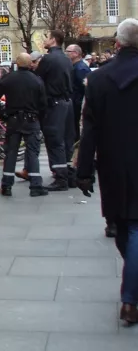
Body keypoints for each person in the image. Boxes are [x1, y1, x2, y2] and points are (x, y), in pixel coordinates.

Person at [75, 18, 138, 327]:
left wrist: (83, 171)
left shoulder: (99, 80)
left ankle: (131, 293)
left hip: (114, 164)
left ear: (118, 43)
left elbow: (90, 131)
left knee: (124, 225)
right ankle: (131, 296)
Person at [0, 53, 49, 197]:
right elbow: (43, 104)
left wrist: (3, 114)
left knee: (11, 153)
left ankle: (7, 186)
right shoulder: (37, 80)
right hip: (31, 120)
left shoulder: (8, 78)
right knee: (32, 153)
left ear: (16, 63)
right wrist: (39, 118)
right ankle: (35, 186)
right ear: (30, 64)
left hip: (13, 120)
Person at [35, 30, 75, 191]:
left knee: (54, 140)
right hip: (67, 102)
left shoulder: (48, 59)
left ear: (53, 40)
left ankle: (60, 178)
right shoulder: (66, 59)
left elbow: (37, 81)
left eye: (47, 37)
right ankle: (66, 173)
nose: (44, 40)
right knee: (66, 139)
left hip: (54, 104)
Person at [65, 44, 90, 143]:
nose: (66, 53)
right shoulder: (74, 66)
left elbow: (85, 87)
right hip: (74, 101)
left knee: (74, 125)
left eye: (68, 51)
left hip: (77, 102)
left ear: (76, 53)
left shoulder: (81, 68)